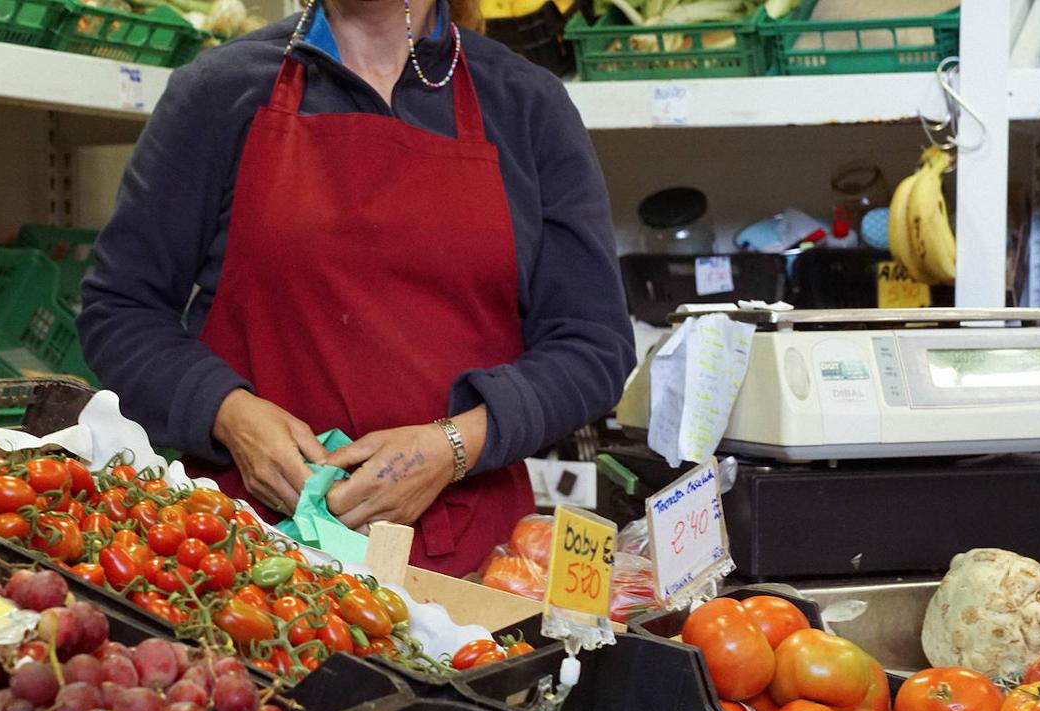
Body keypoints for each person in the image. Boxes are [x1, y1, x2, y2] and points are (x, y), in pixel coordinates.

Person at [77, 0, 636, 577]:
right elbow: (120, 311)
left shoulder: (527, 106)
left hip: (472, 564)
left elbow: (593, 345)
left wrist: (456, 443)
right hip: (243, 549)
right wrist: (227, 413)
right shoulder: (219, 91)